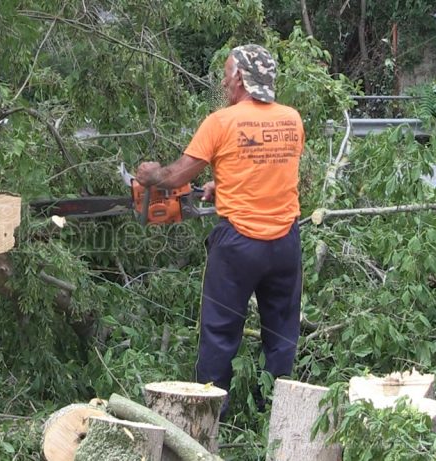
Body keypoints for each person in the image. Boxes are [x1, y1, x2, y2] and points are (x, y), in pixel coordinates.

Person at [135, 44, 304, 417]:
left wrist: (151, 176)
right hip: (285, 244)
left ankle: (208, 418)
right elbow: (270, 170)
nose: (225, 82)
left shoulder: (221, 121)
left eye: (227, 75)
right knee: (281, 335)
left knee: (219, 332)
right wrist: (222, 185)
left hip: (239, 244)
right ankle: (273, 415)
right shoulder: (292, 119)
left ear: (241, 78)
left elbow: (176, 176)